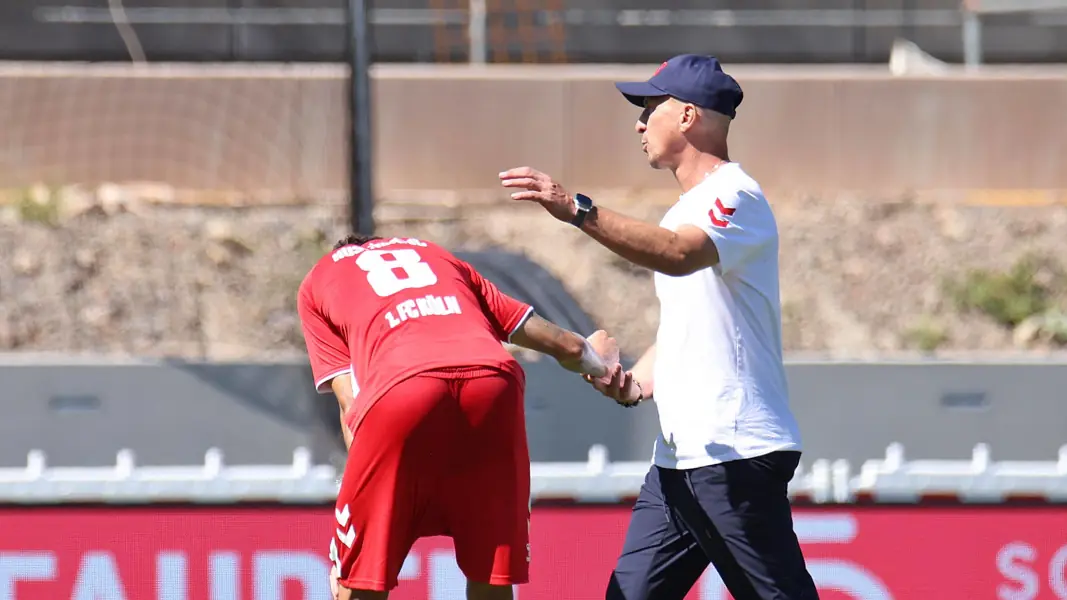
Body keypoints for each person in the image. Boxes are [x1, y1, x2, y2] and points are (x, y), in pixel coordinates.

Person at [498, 54, 819, 600]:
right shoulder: (687, 208)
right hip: (679, 460)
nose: (639, 123)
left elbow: (676, 255)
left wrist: (577, 209)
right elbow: (684, 331)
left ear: (688, 116)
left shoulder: (734, 195)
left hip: (731, 453)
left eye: (650, 107)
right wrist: (637, 382)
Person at [297, 233, 620, 600]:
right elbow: (568, 345)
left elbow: (349, 401)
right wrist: (597, 359)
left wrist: (359, 493)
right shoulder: (435, 255)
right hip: (492, 379)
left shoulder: (317, 280)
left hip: (402, 388)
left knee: (359, 581)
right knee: (492, 575)